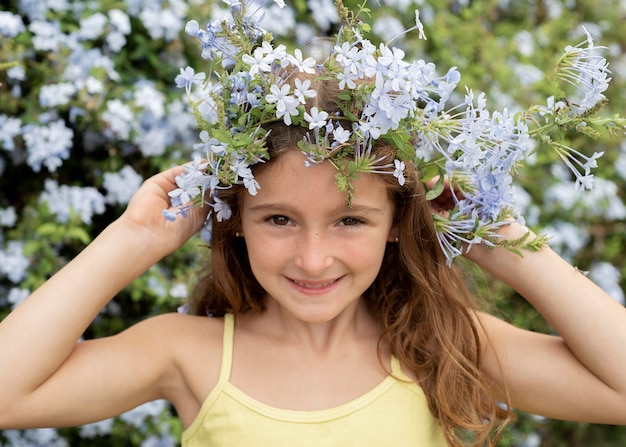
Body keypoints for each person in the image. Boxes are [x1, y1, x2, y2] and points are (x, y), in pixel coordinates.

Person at [2, 2, 626, 446]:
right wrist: (134, 238)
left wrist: (495, 233)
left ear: (396, 222)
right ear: (236, 217)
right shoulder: (187, 355)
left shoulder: (446, 346)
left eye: (350, 219)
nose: (313, 258)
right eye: (279, 218)